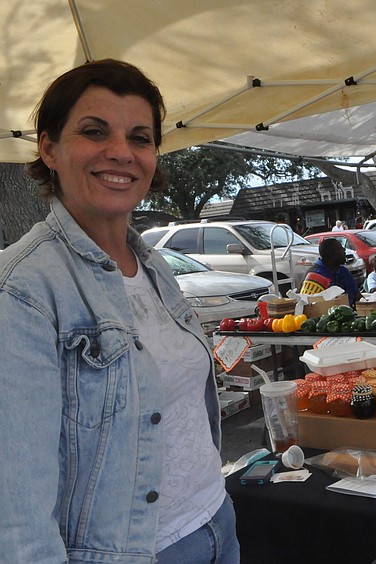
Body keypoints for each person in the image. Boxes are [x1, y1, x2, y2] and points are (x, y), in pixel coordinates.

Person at [0, 60, 239, 563]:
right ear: (48, 149)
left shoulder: (153, 266)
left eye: (140, 137)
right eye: (94, 132)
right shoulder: (23, 289)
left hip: (215, 521)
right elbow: (15, 504)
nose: (121, 153)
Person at [299, 238, 362, 306]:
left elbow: (357, 296)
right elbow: (310, 306)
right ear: (331, 254)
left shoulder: (344, 271)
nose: (344, 250)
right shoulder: (315, 274)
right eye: (340, 249)